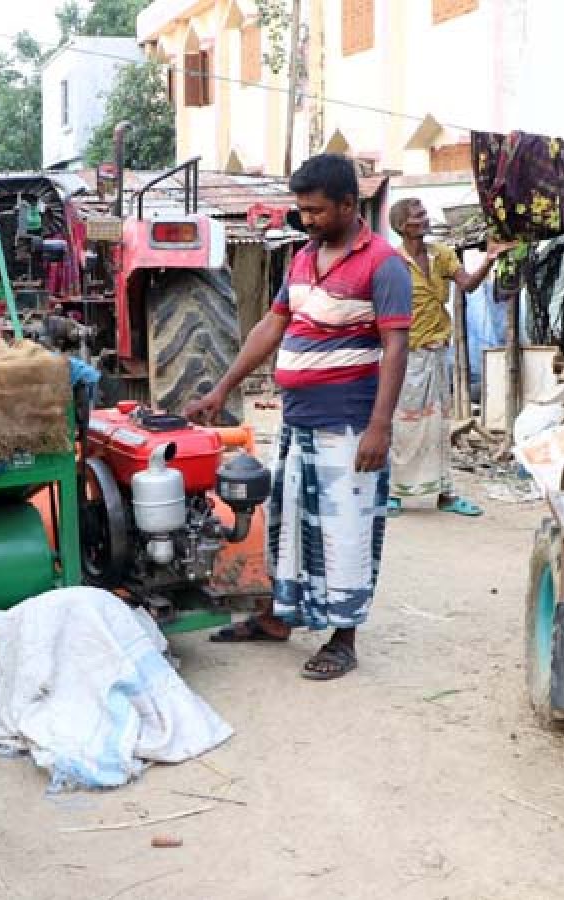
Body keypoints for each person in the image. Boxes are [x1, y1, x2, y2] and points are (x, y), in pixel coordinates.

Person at [183, 154, 411, 681]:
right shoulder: (304, 257)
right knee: (288, 525)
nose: (306, 219)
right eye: (301, 209)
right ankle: (277, 618)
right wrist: (222, 387)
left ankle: (344, 638)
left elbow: (395, 348)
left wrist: (380, 426)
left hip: (350, 425)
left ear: (350, 205)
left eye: (315, 210)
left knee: (344, 533)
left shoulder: (383, 263)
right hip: (299, 420)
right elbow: (274, 323)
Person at [387, 197, 506, 517]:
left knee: (439, 426)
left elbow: (467, 285)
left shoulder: (441, 255)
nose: (425, 219)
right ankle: (394, 492)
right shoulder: (390, 262)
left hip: (437, 351)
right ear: (401, 226)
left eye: (424, 213)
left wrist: (489, 261)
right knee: (403, 425)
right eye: (417, 215)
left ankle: (444, 493)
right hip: (405, 355)